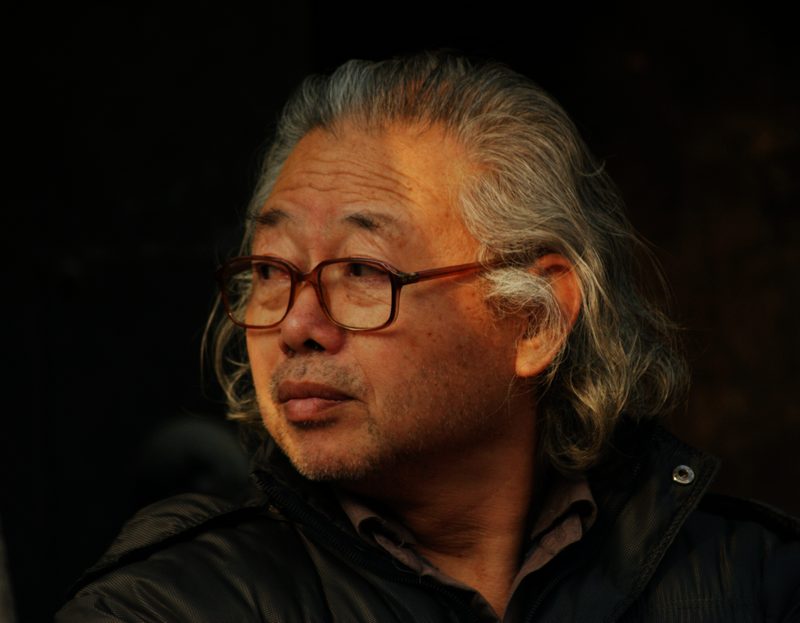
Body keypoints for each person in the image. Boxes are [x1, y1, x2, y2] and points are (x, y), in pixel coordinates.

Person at [57, 51, 799, 622]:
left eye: (361, 269)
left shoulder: (756, 584)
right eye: (273, 270)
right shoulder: (168, 605)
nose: (296, 325)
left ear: (537, 318)